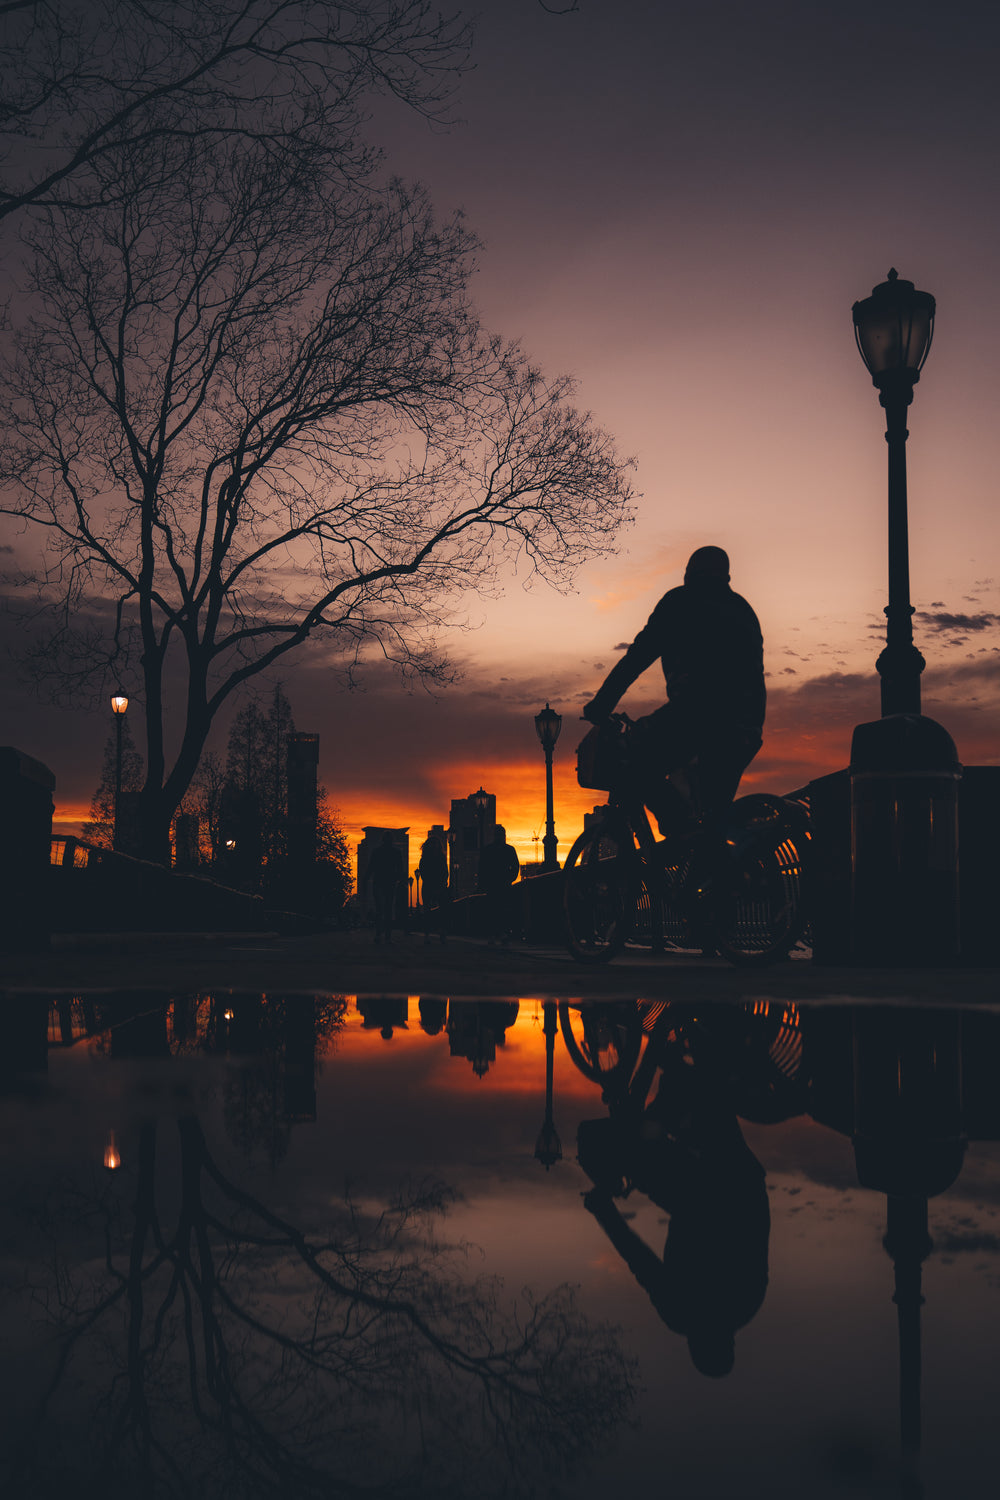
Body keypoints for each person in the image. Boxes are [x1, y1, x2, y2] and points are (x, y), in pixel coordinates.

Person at [583, 545, 765, 832]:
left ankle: (679, 828)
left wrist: (601, 704)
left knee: (636, 762)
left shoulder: (680, 601)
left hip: (696, 716)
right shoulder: (743, 610)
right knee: (713, 820)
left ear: (688, 574)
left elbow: (638, 657)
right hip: (747, 728)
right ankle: (715, 865)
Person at [476, 824, 520, 945]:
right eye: (498, 835)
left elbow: (482, 868)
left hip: (499, 884)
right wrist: (510, 878)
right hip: (497, 884)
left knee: (499, 910)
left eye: (501, 835)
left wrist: (509, 879)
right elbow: (515, 867)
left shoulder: (488, 850)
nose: (500, 837)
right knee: (497, 910)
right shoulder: (508, 850)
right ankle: (499, 934)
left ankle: (497, 934)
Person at [369, 831, 404, 945]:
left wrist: (366, 880)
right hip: (389, 883)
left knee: (380, 909)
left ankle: (379, 934)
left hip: (379, 882)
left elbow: (371, 868)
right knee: (388, 909)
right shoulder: (396, 852)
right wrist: (398, 879)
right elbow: (400, 870)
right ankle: (387, 936)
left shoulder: (377, 851)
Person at [417, 833, 450, 945]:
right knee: (427, 911)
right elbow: (424, 873)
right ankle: (427, 935)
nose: (434, 845)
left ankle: (442, 933)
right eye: (432, 843)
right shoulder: (425, 859)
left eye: (436, 843)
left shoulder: (441, 858)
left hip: (440, 886)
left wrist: (442, 884)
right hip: (428, 886)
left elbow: (445, 872)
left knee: (443, 911)